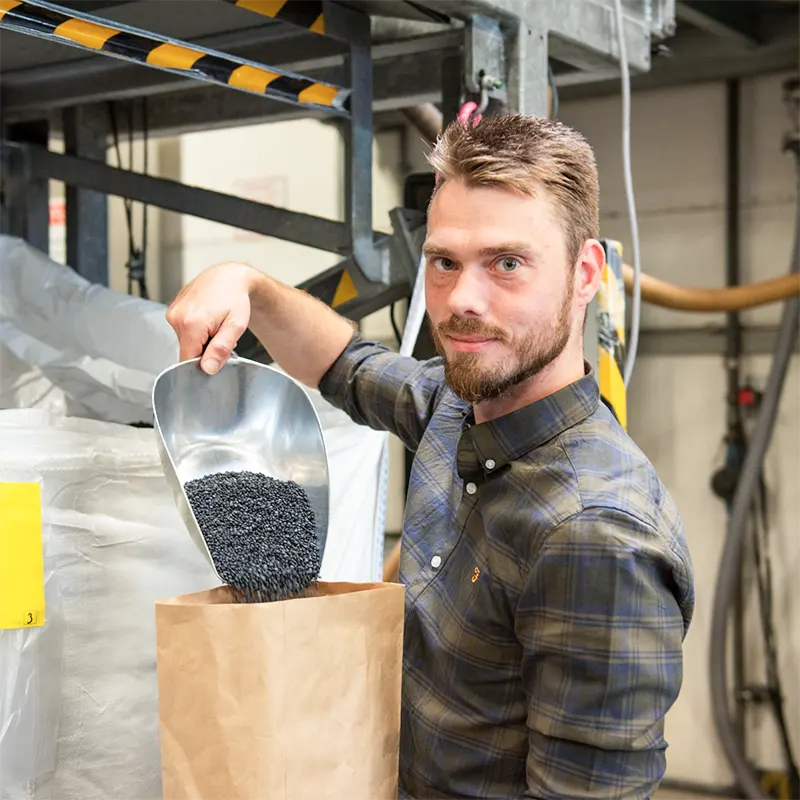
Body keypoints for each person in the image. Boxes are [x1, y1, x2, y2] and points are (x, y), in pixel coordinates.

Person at [166, 113, 695, 800]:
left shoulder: (593, 534)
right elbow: (346, 366)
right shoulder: (453, 406)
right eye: (445, 262)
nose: (462, 301)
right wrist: (247, 285)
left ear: (584, 271)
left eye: (507, 263)